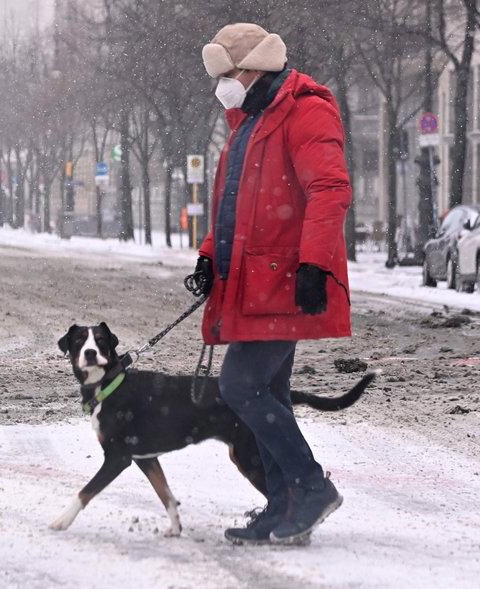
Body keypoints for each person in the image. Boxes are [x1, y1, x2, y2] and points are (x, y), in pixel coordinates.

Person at [188, 23, 352, 545]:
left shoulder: (306, 109)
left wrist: (314, 265)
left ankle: (311, 486)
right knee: (269, 391)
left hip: (285, 279)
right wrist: (209, 257)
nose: (222, 87)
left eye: (227, 75)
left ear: (253, 69)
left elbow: (329, 189)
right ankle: (283, 507)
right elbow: (233, 209)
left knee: (240, 386)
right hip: (254, 282)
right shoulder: (249, 120)